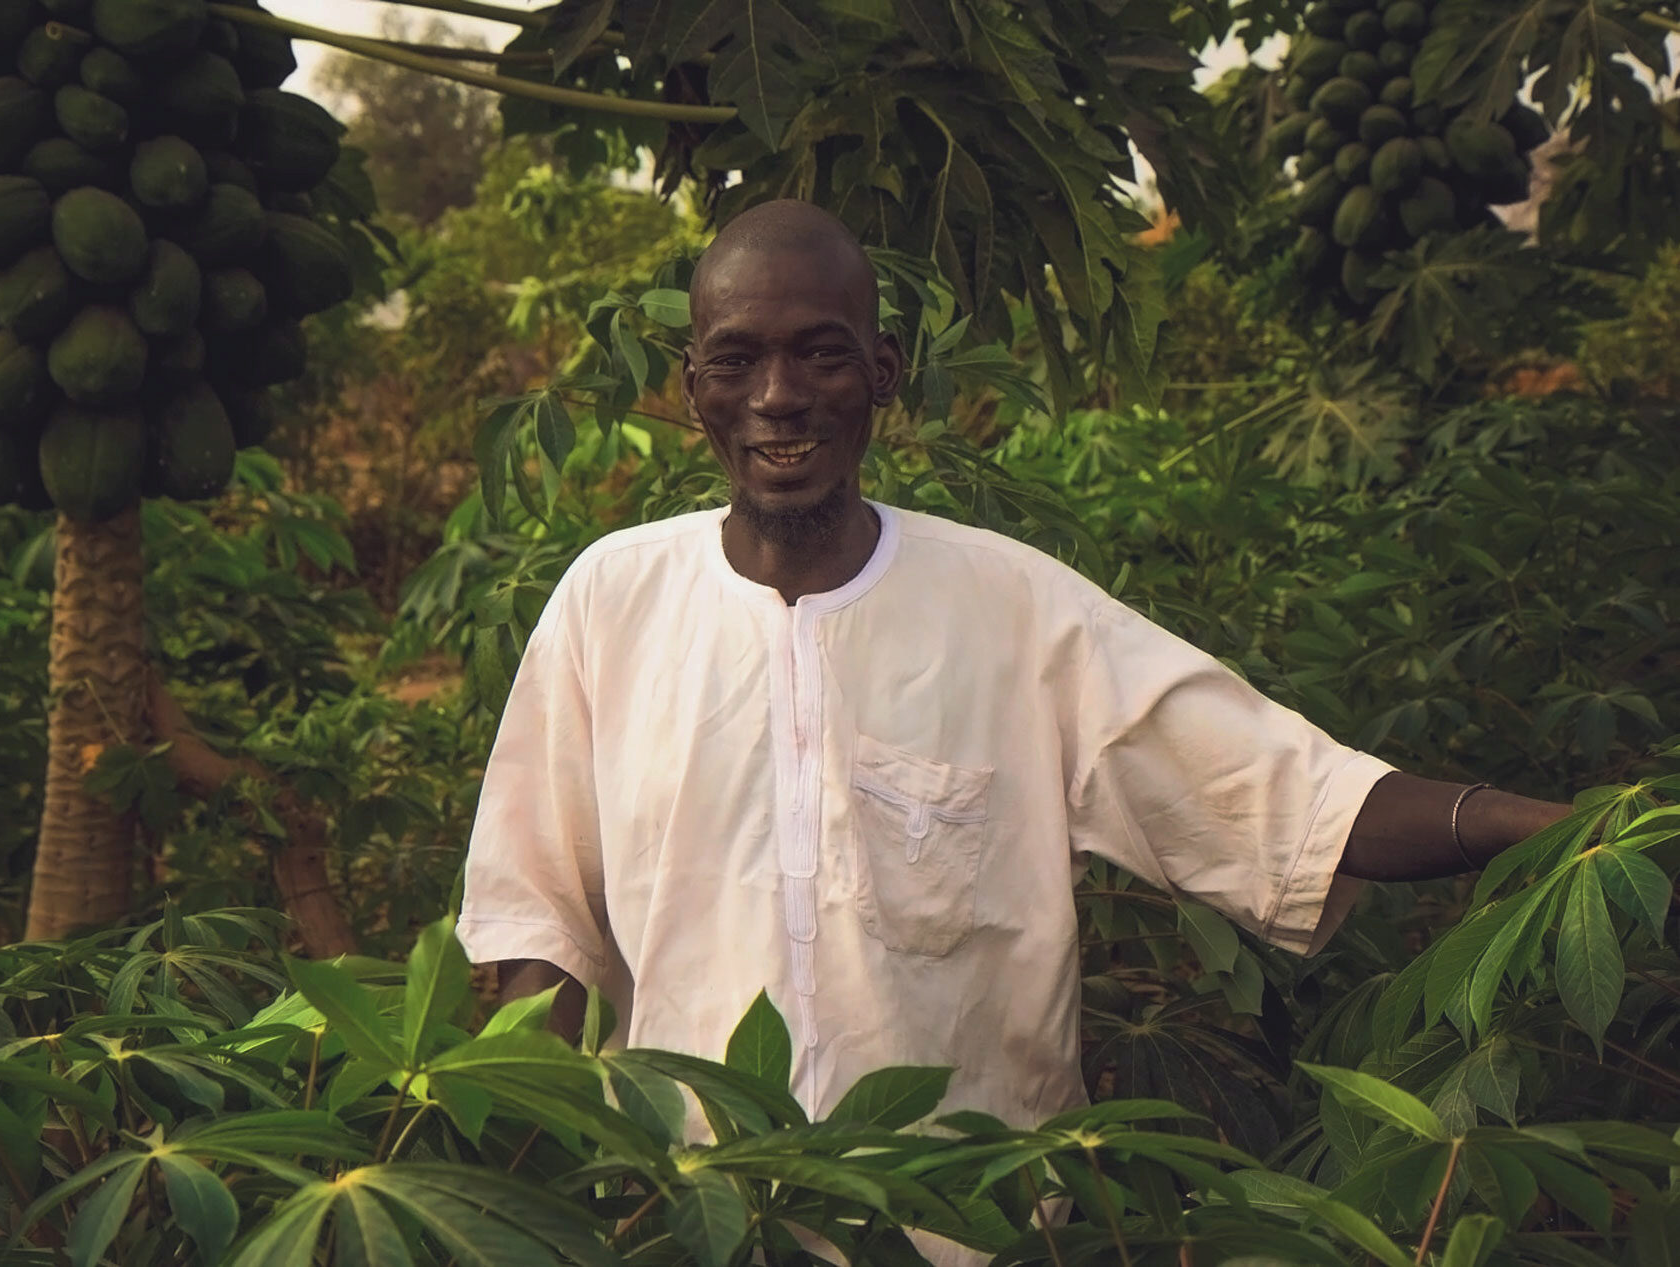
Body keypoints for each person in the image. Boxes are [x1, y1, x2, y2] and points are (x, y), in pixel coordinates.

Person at [454, 199, 1570, 1256]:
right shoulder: (612, 601)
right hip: (684, 1214)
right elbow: (538, 928)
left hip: (964, 1223)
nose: (778, 394)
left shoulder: (1015, 609)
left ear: (883, 372)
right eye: (737, 359)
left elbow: (1286, 796)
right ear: (692, 384)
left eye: (822, 352)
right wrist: (497, 1207)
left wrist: (1573, 828)